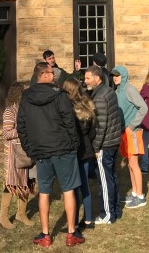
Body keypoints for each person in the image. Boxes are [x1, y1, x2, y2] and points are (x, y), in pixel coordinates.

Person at [17, 62, 85, 247]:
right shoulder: (58, 95)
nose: (54, 74)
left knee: (45, 192)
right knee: (67, 189)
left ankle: (47, 234)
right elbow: (69, 122)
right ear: (43, 75)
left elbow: (21, 126)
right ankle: (70, 232)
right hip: (61, 149)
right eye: (51, 72)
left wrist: (30, 148)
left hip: (45, 150)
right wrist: (74, 144)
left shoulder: (27, 97)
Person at [84, 65, 122, 225]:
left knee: (105, 181)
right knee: (111, 176)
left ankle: (107, 214)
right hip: (112, 141)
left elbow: (101, 124)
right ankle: (115, 210)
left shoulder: (99, 96)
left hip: (105, 143)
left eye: (87, 78)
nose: (85, 81)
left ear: (97, 78)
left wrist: (96, 147)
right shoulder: (108, 90)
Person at [61, 77, 97, 231]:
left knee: (74, 188)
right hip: (87, 149)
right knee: (85, 187)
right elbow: (92, 130)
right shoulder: (87, 104)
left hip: (75, 151)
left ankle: (74, 222)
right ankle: (88, 219)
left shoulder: (66, 107)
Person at [0, 81, 35, 229]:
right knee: (11, 183)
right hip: (14, 154)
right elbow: (6, 133)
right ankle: (3, 216)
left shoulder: (26, 110)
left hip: (26, 152)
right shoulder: (9, 111)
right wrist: (23, 130)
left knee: (26, 182)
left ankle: (21, 214)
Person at [111, 66, 148, 208]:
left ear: (124, 76)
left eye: (117, 75)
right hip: (123, 132)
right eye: (113, 75)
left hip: (132, 131)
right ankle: (134, 193)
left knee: (134, 163)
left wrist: (132, 126)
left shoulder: (129, 89)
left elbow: (143, 107)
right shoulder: (117, 90)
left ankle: (140, 196)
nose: (115, 77)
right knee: (129, 163)